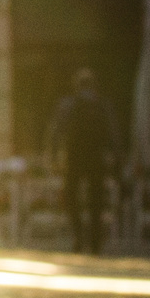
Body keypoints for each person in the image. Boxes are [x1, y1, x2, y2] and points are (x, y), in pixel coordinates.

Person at [47, 67, 118, 255]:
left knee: (72, 197)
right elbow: (113, 133)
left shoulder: (68, 103)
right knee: (96, 201)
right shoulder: (102, 104)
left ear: (76, 85)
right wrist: (117, 158)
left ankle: (78, 237)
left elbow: (56, 131)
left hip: (74, 157)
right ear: (94, 85)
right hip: (96, 157)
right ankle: (95, 243)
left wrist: (53, 156)